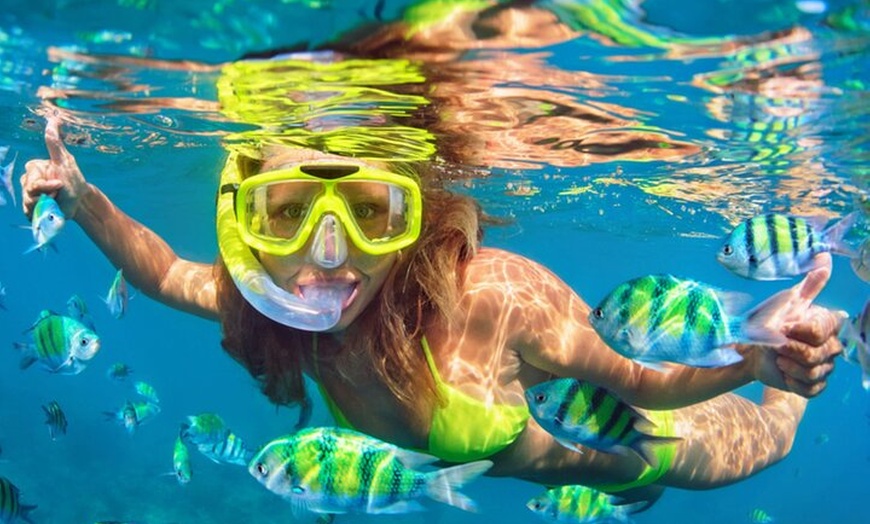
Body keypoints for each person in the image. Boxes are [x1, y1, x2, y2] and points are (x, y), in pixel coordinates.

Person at [21, 0, 844, 507]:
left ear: (413, 219)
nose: (329, 253)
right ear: (245, 217)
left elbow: (639, 378)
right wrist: (81, 195)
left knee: (768, 441)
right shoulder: (261, 301)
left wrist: (758, 364)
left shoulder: (488, 296)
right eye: (290, 212)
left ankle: (805, 337)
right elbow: (163, 272)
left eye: (373, 211)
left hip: (627, 450)